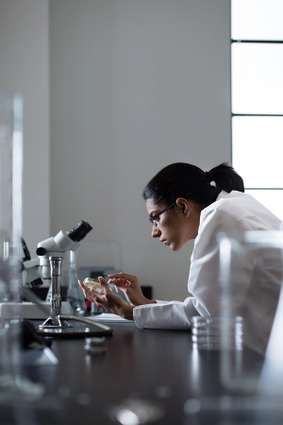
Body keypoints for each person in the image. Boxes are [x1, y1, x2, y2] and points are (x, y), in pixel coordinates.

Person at [81, 162, 282, 353]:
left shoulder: (218, 216)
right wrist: (145, 303)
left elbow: (206, 316)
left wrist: (127, 311)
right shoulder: (237, 204)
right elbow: (208, 307)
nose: (154, 232)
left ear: (183, 206)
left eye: (155, 218)